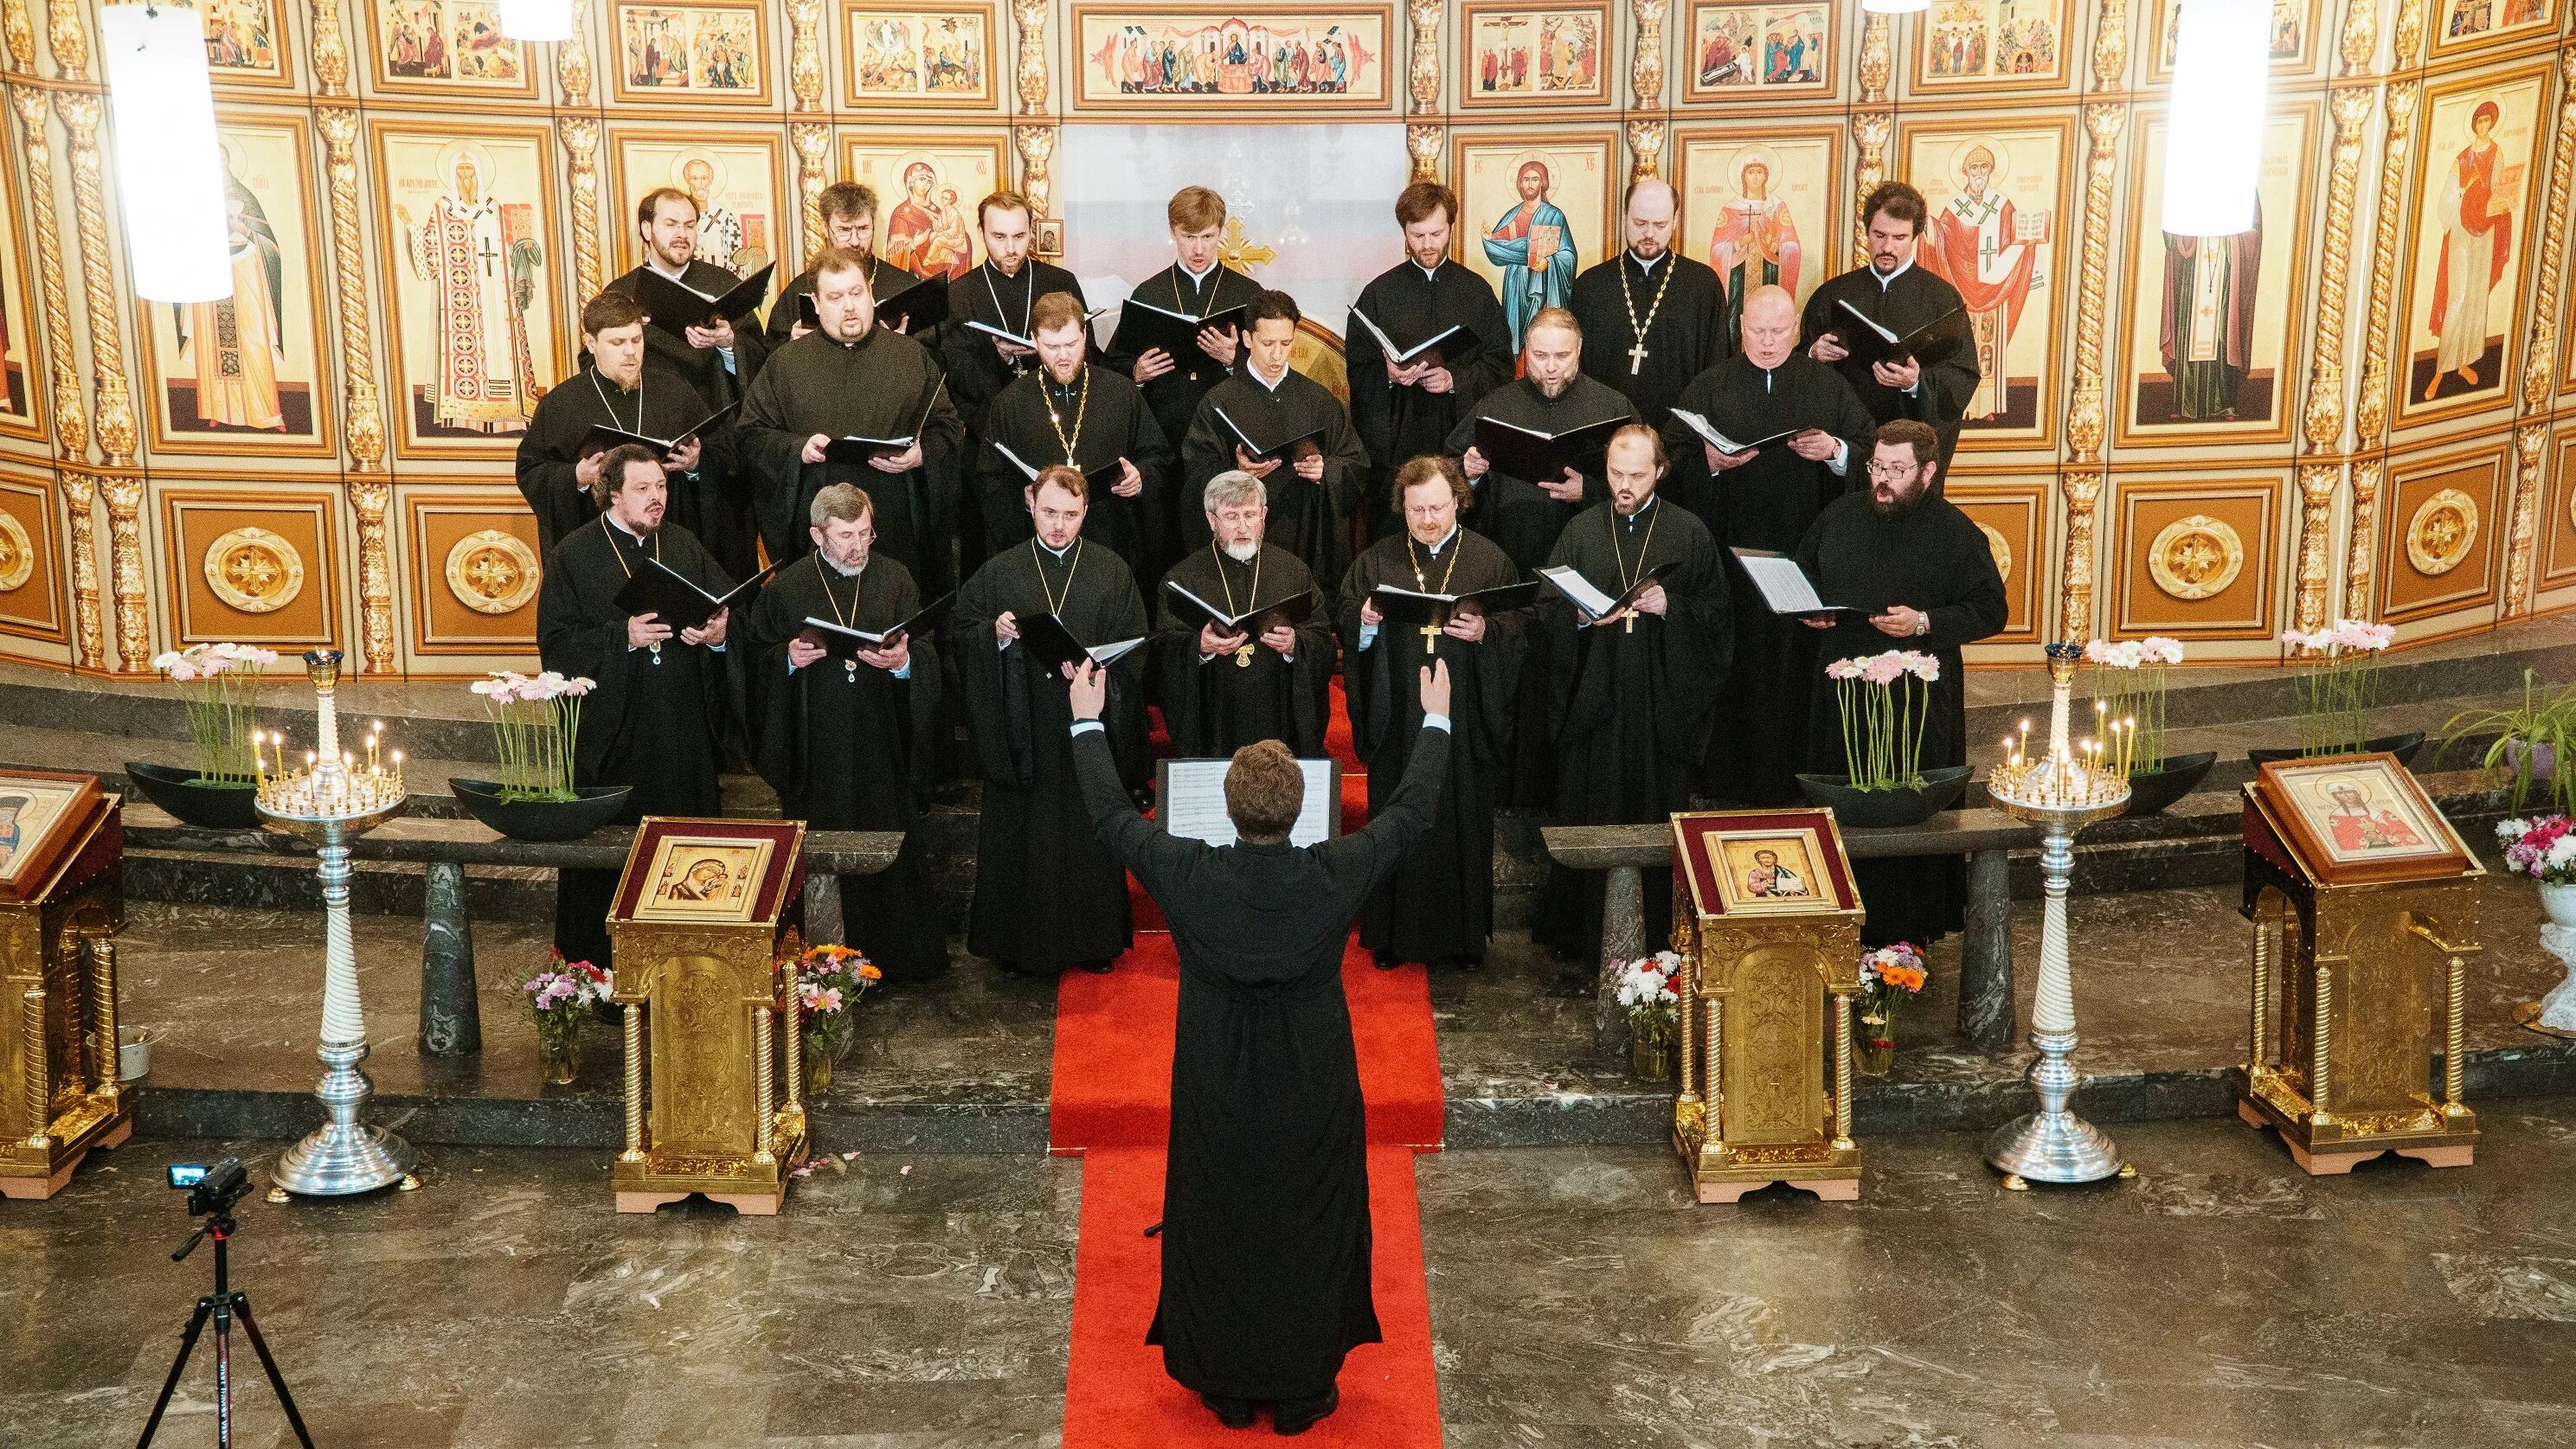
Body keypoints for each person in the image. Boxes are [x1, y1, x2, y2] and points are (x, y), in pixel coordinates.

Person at [1065, 653, 1455, 1437]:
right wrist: (1436, 717)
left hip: (1215, 1069)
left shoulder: (1190, 871)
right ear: (1299, 807)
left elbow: (1110, 817)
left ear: (1229, 808)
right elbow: (1410, 815)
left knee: (1221, 1213)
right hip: (1312, 1072)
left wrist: (1085, 718)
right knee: (1311, 1212)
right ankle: (1306, 1387)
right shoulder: (1330, 874)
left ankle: (1228, 1387)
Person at [1662, 284, 1878, 806]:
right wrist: (1709, 462)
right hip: (1727, 558)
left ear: (1797, 331)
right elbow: (1667, 457)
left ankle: (1797, 784)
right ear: (1740, 330)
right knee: (1734, 669)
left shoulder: (1825, 385)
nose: (1766, 341)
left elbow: (1871, 450)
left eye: (1777, 331)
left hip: (1803, 556)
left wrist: (1835, 450)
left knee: (1792, 674)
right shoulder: (1711, 385)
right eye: (1756, 330)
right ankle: (1725, 787)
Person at [1796, 420, 2006, 946]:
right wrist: (1809, 611)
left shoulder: (1956, 532)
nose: (1882, 480)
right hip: (1843, 689)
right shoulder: (1839, 517)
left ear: (1928, 472)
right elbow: (1804, 576)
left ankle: (1913, 932)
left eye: (1896, 469)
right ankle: (1840, 919)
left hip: (1919, 696)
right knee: (1845, 798)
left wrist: (1925, 622)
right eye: (1876, 467)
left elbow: (1990, 610)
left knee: (1911, 804)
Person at [1531, 426, 1729, 960]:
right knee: (1589, 809)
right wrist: (1574, 615)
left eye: (1637, 476)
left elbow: (1719, 622)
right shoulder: (1581, 531)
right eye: (1616, 474)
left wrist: (1673, 608)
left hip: (1659, 708)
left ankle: (1666, 934)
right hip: (1593, 701)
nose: (1623, 485)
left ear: (1660, 472)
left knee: (1654, 813)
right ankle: (1582, 934)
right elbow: (1544, 609)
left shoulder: (1688, 533)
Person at [536, 445, 736, 971]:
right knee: (613, 864)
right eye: (644, 489)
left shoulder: (682, 544)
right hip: (614, 736)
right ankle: (597, 975)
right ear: (613, 492)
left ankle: (692, 970)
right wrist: (619, 636)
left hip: (680, 728)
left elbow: (724, 605)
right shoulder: (574, 554)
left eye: (662, 488)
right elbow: (555, 644)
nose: (657, 499)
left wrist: (717, 632)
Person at [742, 484, 950, 983]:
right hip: (817, 744)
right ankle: (822, 964)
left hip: (882, 737)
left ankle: (895, 959)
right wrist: (788, 661)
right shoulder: (788, 588)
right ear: (817, 535)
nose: (858, 547)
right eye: (845, 536)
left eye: (865, 533)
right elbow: (756, 663)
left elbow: (925, 650)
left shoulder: (895, 577)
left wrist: (904, 663)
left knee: (886, 834)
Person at [951, 466, 1151, 974]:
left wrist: (1096, 665)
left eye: (1070, 514)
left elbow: (1134, 644)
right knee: (1026, 832)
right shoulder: (1000, 570)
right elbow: (961, 630)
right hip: (1024, 726)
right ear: (1029, 505)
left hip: (1086, 720)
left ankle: (1093, 939)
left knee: (1086, 824)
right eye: (1049, 512)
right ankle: (1018, 944)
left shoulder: (1111, 570)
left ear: (1086, 513)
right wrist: (995, 635)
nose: (1059, 525)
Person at [1337, 456, 1529, 971]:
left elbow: (1522, 627)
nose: (1427, 520)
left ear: (1458, 503)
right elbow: (1346, 623)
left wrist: (1488, 633)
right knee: (1396, 814)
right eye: (1416, 509)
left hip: (1464, 721)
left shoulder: (1489, 561)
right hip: (1397, 716)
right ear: (1402, 507)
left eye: (1437, 508)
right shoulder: (1377, 562)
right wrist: (1365, 620)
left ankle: (1462, 939)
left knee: (1459, 816)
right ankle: (1391, 935)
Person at [737, 247, 965, 589]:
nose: (849, 305)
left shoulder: (911, 356)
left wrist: (921, 455)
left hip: (896, 524)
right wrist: (797, 449)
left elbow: (946, 427)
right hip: (819, 526)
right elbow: (751, 434)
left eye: (856, 293)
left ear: (871, 294)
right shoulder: (786, 364)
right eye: (835, 296)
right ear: (815, 303)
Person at [1343, 182, 1513, 537]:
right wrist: (1388, 374)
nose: (1428, 244)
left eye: (1436, 233)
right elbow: (1358, 368)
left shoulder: (1476, 291)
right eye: (1417, 235)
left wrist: (1455, 381)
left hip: (1457, 435)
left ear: (1451, 226)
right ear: (1404, 231)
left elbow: (1500, 365)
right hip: (1397, 437)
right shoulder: (1378, 293)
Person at [974, 291, 1171, 579]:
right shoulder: (1011, 402)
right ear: (1034, 339)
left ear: (1085, 333)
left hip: (1110, 542)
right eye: (1052, 347)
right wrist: (1022, 495)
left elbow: (1160, 456)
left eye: (1071, 344)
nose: (1063, 357)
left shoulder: (1120, 392)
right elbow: (989, 477)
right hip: (1038, 548)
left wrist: (1140, 478)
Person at [1179, 289, 1369, 586]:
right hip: (1241, 539)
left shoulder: (1319, 400)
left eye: (1286, 343)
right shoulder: (1219, 401)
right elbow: (1195, 472)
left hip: (1303, 535)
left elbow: (1356, 464)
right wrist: (1234, 473)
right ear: (1247, 339)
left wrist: (1325, 471)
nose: (1277, 355)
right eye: (1268, 343)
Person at [516, 291, 720, 552]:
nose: (631, 352)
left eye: (636, 340)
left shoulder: (674, 391)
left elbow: (721, 452)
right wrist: (578, 476)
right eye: (617, 342)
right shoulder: (561, 403)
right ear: (591, 343)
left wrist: (695, 465)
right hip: (596, 551)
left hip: (667, 545)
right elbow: (531, 472)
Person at [1153, 471, 1335, 758]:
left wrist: (1294, 646)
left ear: (1263, 514)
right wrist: (1199, 648)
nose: (1242, 527)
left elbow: (1323, 640)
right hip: (1215, 720)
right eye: (1231, 516)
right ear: (1212, 520)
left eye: (1250, 515)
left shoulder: (1293, 571)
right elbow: (1162, 649)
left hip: (1278, 713)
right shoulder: (1183, 578)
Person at [1801, 182, 1978, 477]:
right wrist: (1812, 354)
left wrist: (1916, 382)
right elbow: (1793, 368)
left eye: (1900, 237)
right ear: (1866, 231)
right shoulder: (1833, 294)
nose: (1887, 247)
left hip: (1908, 454)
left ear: (1915, 237)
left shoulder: (1942, 298)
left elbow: (1962, 374)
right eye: (1878, 235)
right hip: (1841, 452)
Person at [1447, 306, 1637, 572]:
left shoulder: (1613, 407)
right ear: (1526, 349)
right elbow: (1446, 469)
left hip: (1590, 554)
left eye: (1562, 356)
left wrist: (1589, 491)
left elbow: (1647, 482)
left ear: (1579, 350)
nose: (1550, 367)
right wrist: (1469, 472)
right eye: (1539, 356)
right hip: (1510, 550)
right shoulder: (1496, 405)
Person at [1104, 186, 1263, 479]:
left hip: (1225, 436)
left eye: (1208, 237)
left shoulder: (1248, 294)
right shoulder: (1149, 293)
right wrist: (1137, 373)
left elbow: (1271, 369)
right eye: (1188, 237)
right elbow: (1114, 365)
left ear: (1221, 232)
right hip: (1162, 434)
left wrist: (1234, 358)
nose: (1198, 249)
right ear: (1173, 232)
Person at [1570, 177, 1731, 428]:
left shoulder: (1702, 285)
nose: (1649, 234)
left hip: (1681, 438)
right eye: (1640, 223)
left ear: (1675, 222)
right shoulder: (1591, 286)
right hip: (1607, 438)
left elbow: (1718, 370)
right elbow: (1576, 374)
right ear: (1624, 216)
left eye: (1660, 224)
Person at [761, 182, 890, 356]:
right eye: (844, 230)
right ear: (825, 228)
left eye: (863, 229)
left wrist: (902, 345)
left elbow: (933, 359)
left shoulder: (903, 285)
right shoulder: (800, 289)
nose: (855, 241)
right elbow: (769, 357)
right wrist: (792, 344)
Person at [1481, 158, 1578, 354]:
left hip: (1542, 284)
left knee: (1541, 339)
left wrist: (1549, 262)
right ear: (1519, 183)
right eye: (1526, 179)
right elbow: (1498, 248)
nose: (1530, 184)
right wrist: (1488, 239)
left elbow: (1568, 254)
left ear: (1543, 183)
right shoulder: (1512, 215)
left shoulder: (1554, 215)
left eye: (1535, 179)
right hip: (1516, 285)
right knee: (1515, 334)